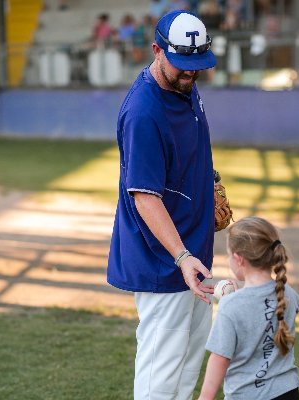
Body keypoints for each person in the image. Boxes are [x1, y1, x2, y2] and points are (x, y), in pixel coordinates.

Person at [107, 9, 217, 400]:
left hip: (193, 254)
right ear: (156, 50)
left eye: (197, 66)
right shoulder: (144, 113)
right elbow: (144, 197)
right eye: (182, 66)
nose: (190, 74)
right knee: (160, 371)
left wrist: (212, 182)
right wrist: (183, 255)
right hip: (165, 259)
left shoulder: (184, 85)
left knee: (188, 361)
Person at [199, 216, 299, 400]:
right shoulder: (288, 294)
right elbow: (262, 315)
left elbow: (219, 358)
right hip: (288, 392)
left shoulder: (231, 306)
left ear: (238, 259)